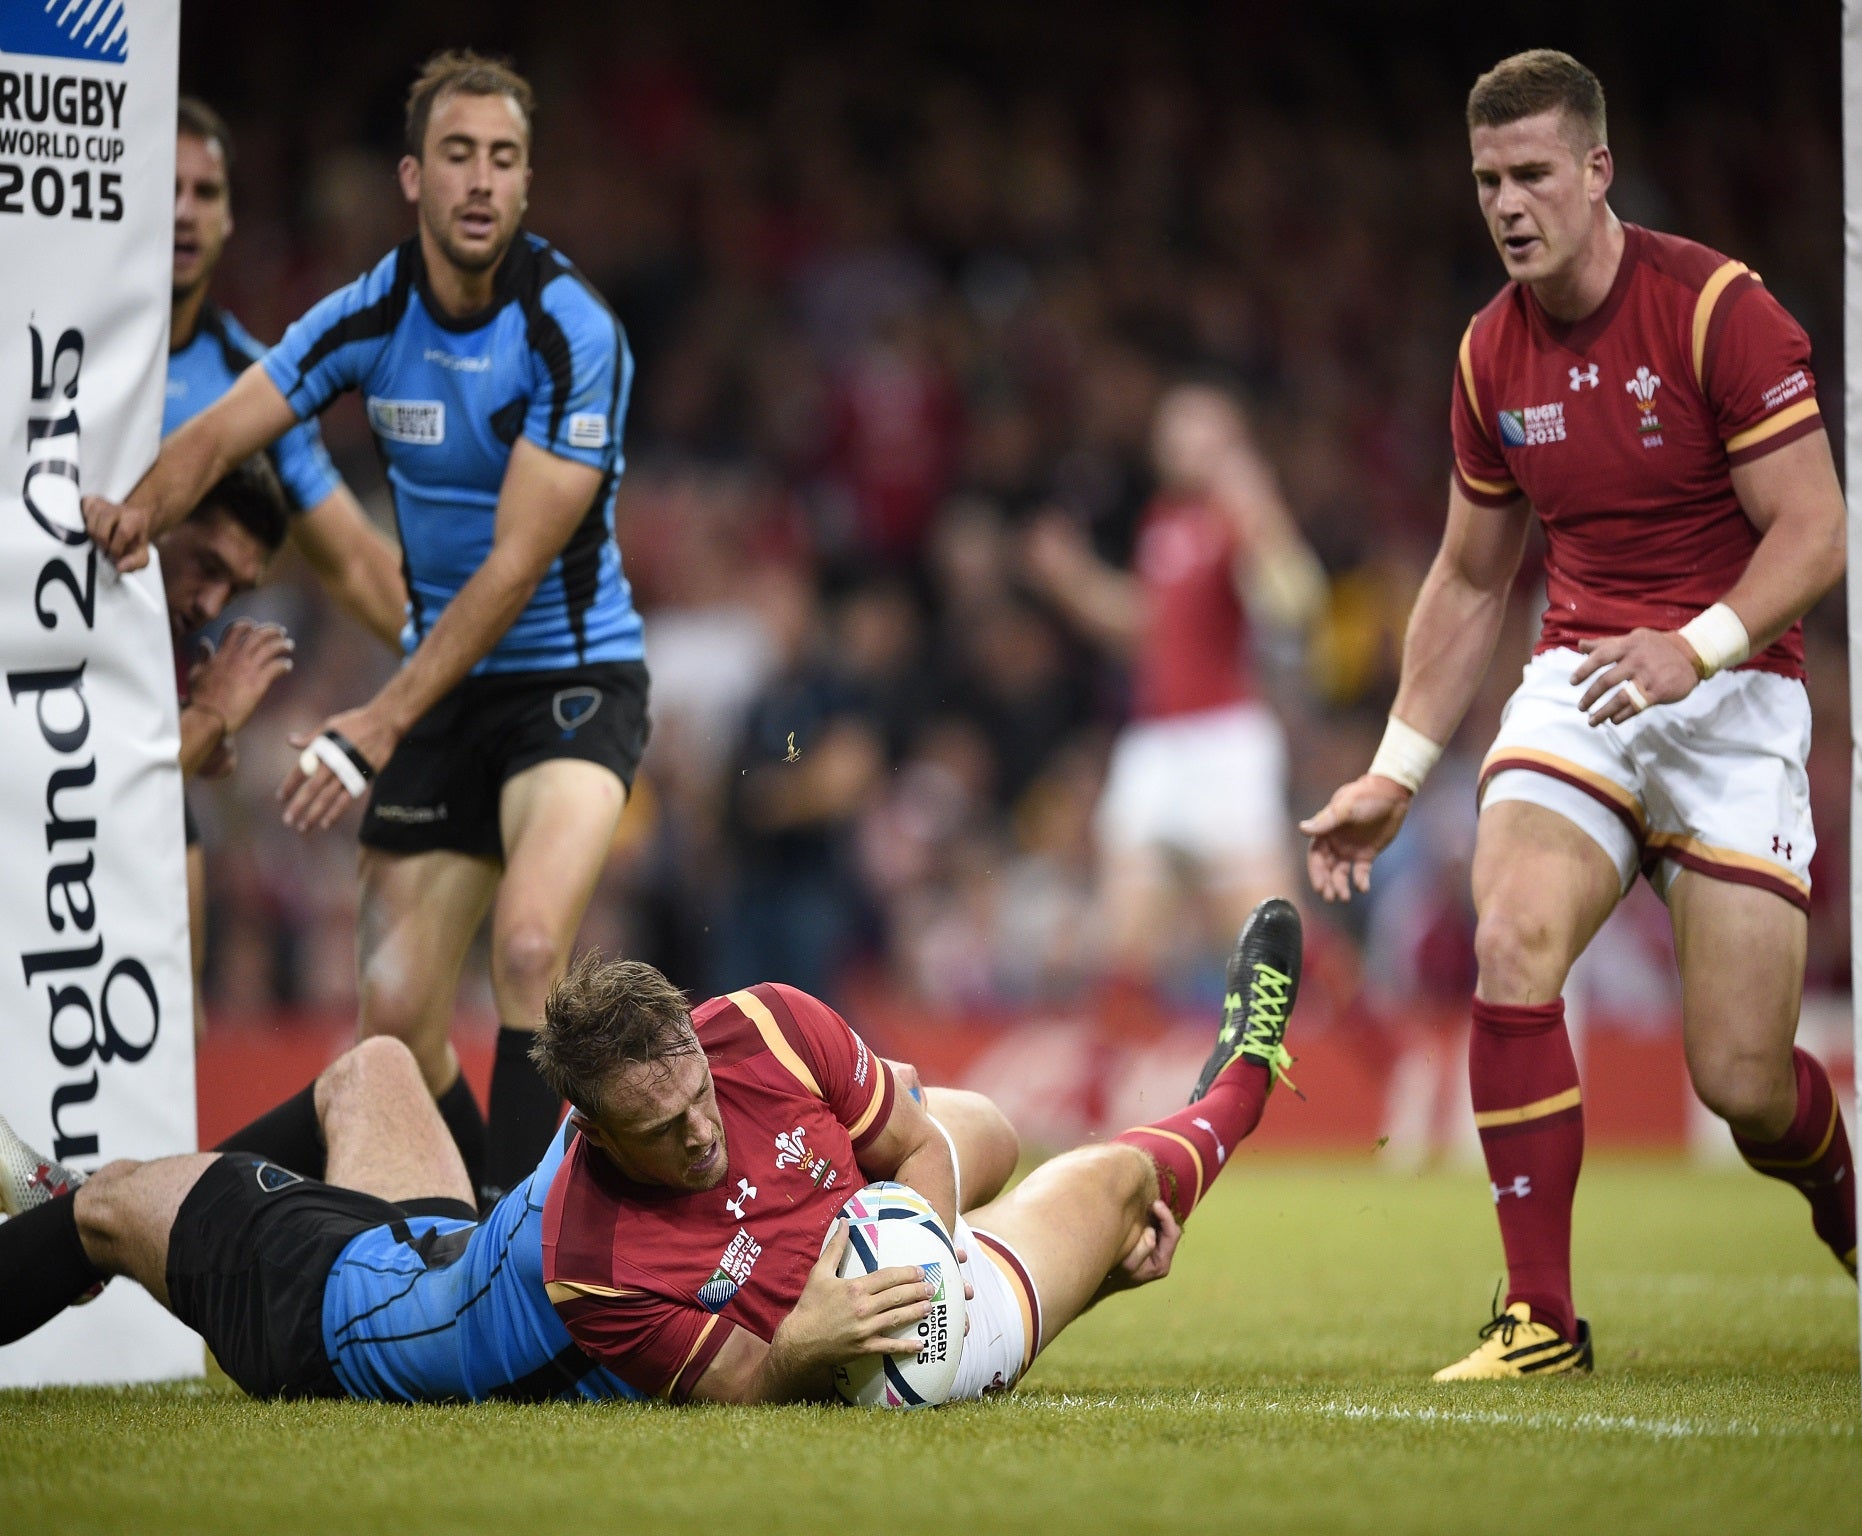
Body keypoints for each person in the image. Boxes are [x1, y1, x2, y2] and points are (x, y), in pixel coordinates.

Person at [1299, 50, 1854, 1380]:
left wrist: (1702, 645)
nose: (1507, 202)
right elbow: (1472, 575)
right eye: (1488, 178)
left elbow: (1817, 528)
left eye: (1534, 172)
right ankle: (1541, 1316)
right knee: (1512, 941)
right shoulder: (1490, 353)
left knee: (1743, 1082)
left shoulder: (1721, 312)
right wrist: (1398, 765)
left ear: (1597, 171)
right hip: (1583, 688)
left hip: (1733, 699)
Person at [0, 900, 1302, 1404]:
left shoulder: (766, 1029)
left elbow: (917, 1140)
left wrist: (933, 1245)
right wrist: (811, 1337)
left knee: (378, 1067)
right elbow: (750, 1387)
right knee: (113, 1209)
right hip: (346, 1309)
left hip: (463, 1248)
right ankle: (94, 1202)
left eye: (697, 1097)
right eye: (659, 1131)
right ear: (587, 1135)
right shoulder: (593, 1251)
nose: (694, 1132)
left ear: (695, 1030)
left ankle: (1242, 1068)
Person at [86, 53, 649, 1210]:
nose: (480, 181)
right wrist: (136, 510)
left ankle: (526, 1267)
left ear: (526, 183)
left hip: (572, 680)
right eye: (456, 156)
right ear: (412, 176)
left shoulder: (571, 329)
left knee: (532, 952)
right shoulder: (369, 314)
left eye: (502, 159)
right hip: (443, 696)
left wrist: (379, 719)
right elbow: (225, 430)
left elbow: (511, 565)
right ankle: (473, 1230)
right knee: (391, 1031)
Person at [1025, 383, 1323, 1006]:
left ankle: (1355, 1054)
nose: (1184, 442)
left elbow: (1297, 604)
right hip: (1156, 738)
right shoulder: (1163, 519)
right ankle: (1115, 1073)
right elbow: (1148, 627)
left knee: (1262, 929)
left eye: (1202, 429)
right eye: (1177, 428)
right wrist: (1072, 578)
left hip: (1224, 734)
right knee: (1127, 931)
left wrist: (1260, 512)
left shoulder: (1239, 513)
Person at [167, 97, 408, 652]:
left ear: (228, 217)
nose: (184, 211)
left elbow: (357, 567)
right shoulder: (49, 349)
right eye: (166, 190)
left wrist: (502, 676)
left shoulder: (256, 388)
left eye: (205, 193)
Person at [160, 457, 299, 1019]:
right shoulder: (67, 613)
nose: (210, 606)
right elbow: (103, 802)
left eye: (234, 589)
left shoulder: (161, 648)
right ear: (162, 514)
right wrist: (208, 718)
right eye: (206, 564)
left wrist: (192, 728)